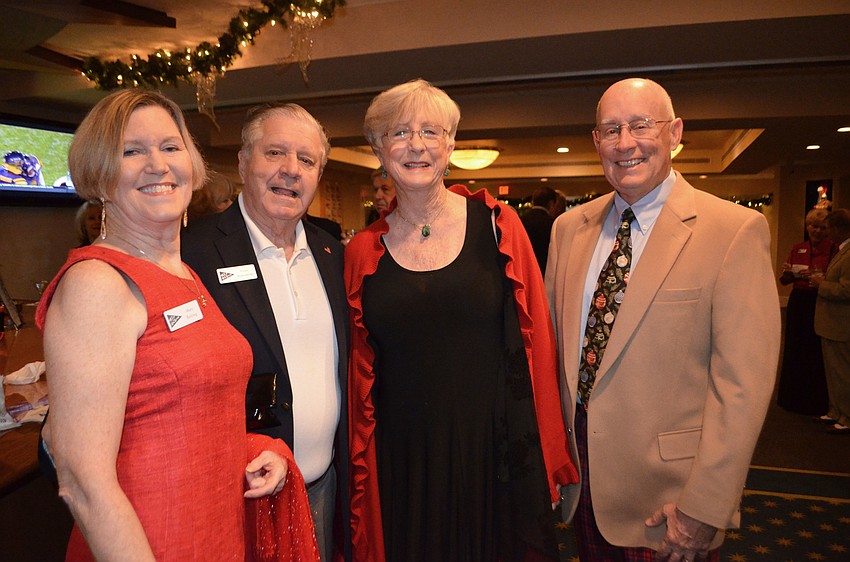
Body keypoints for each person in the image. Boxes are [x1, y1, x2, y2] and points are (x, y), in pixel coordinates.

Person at [37, 90, 318, 561]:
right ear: (98, 173)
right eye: (132, 151)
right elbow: (82, 481)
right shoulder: (96, 283)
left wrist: (252, 447)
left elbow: (171, 414)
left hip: (216, 535)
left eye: (170, 147)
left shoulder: (184, 274)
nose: (157, 165)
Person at [546, 78, 780, 561]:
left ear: (675, 133)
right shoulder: (569, 230)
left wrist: (707, 506)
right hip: (581, 487)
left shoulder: (733, 231)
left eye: (640, 125)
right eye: (611, 129)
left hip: (670, 506)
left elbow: (742, 386)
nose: (625, 142)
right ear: (596, 142)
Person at [345, 78, 577, 562]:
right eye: (399, 132)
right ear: (378, 148)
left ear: (450, 145)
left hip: (489, 453)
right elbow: (354, 368)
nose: (416, 145)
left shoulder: (498, 227)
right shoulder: (360, 252)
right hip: (400, 458)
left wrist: (547, 455)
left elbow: (538, 348)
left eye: (431, 131)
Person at [181, 102, 351, 561]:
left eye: (307, 160)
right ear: (242, 162)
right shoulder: (191, 253)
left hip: (322, 487)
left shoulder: (332, 253)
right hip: (239, 496)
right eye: (275, 152)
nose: (291, 171)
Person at [777, 207, 835, 415]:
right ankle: (792, 397)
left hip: (819, 302)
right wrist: (789, 273)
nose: (817, 231)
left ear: (829, 230)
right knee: (795, 347)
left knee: (815, 351)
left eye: (822, 227)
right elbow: (784, 281)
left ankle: (816, 401)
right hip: (798, 302)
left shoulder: (834, 250)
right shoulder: (798, 248)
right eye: (813, 226)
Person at [812, 208, 850, 434]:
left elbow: (847, 290)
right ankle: (835, 410)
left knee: (843, 373)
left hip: (841, 324)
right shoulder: (841, 250)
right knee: (833, 372)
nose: (825, 233)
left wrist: (821, 285)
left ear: (838, 229)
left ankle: (846, 416)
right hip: (831, 324)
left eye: (828, 229)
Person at [521, 186, 558, 273]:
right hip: (545, 270)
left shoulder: (521, 220)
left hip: (525, 269)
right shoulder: (552, 223)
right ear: (551, 203)